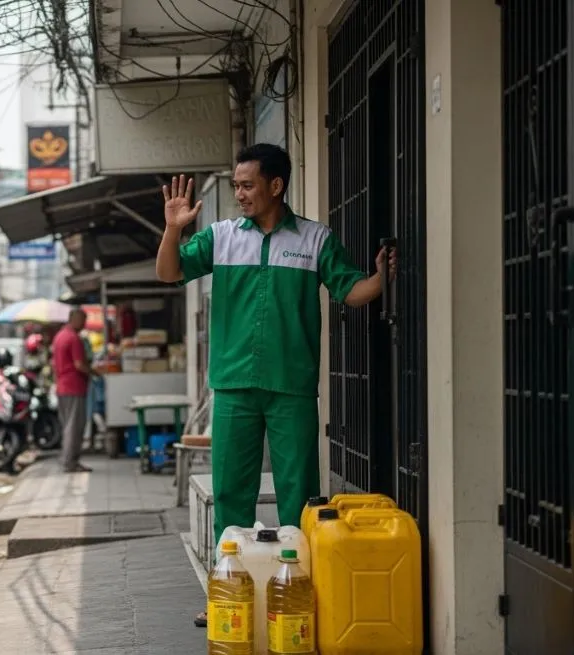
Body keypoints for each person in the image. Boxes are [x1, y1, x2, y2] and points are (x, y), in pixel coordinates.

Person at [155, 144, 396, 623]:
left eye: (247, 185)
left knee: (298, 490)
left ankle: (298, 589)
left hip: (291, 386)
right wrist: (173, 228)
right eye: (237, 186)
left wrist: (383, 277)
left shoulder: (314, 239)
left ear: (276, 185)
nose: (239, 194)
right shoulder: (221, 237)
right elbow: (169, 272)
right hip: (234, 384)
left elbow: (351, 290)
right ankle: (229, 591)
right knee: (231, 491)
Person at [51, 307, 96, 473]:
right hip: (74, 386)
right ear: (75, 319)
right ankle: (70, 462)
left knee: (68, 425)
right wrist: (93, 372)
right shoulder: (73, 338)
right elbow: (79, 365)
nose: (84, 324)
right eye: (83, 320)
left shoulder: (59, 336)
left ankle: (68, 459)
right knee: (74, 426)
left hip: (62, 386)